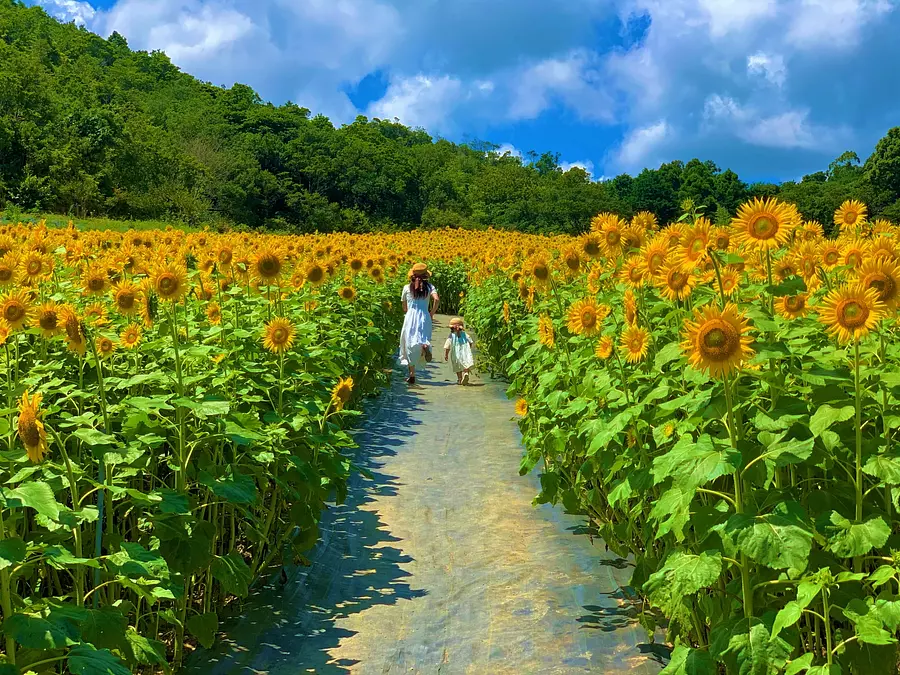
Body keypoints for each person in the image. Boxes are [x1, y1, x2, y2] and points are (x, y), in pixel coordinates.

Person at [399, 263, 439, 384]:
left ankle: (412, 374)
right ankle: (425, 346)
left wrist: (408, 311)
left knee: (409, 342)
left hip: (410, 317)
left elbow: (404, 306)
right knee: (422, 338)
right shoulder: (430, 287)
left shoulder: (407, 288)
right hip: (424, 316)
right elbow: (436, 299)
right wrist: (431, 313)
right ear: (426, 275)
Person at [444, 317, 475, 385]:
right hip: (465, 351)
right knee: (466, 363)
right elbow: (470, 341)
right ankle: (466, 373)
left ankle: (460, 379)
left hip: (456, 352)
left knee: (457, 366)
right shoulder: (464, 334)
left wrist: (446, 354)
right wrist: (468, 349)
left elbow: (447, 346)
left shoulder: (451, 335)